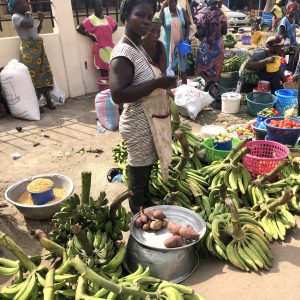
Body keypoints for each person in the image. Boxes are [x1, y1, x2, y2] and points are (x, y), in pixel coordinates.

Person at [109, 0, 177, 213]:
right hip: (138, 125)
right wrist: (157, 83)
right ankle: (138, 214)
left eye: (149, 16)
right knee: (139, 176)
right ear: (126, 16)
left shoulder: (138, 46)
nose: (146, 21)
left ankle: (145, 206)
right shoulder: (123, 52)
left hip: (149, 122)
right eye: (141, 15)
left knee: (146, 171)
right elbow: (118, 94)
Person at [9, 0, 56, 110]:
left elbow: (35, 32)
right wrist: (29, 13)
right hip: (29, 51)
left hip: (38, 49)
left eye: (26, 2)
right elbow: (30, 24)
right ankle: (36, 104)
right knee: (33, 77)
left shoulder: (26, 16)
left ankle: (48, 101)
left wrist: (41, 21)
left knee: (44, 73)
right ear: (16, 6)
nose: (26, 4)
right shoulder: (16, 17)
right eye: (23, 3)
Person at [76, 0, 118, 77]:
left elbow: (115, 26)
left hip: (110, 47)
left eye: (101, 5)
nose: (101, 8)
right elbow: (79, 28)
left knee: (113, 68)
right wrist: (90, 35)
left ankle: (113, 87)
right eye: (98, 6)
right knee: (104, 69)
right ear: (94, 7)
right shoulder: (91, 19)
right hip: (100, 48)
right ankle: (106, 88)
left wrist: (110, 32)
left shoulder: (107, 18)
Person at [194, 0, 227, 82]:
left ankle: (207, 83)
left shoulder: (200, 14)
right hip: (217, 46)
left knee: (202, 68)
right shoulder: (221, 14)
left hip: (205, 46)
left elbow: (196, 32)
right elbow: (224, 31)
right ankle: (214, 87)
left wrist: (203, 38)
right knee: (216, 70)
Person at [159, 0, 190, 84]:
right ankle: (169, 90)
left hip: (182, 42)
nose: (173, 3)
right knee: (168, 67)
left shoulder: (181, 10)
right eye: (171, 1)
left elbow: (187, 25)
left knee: (183, 68)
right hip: (169, 44)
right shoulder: (164, 12)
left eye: (175, 1)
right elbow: (158, 23)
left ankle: (185, 88)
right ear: (167, 2)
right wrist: (162, 7)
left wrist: (186, 38)